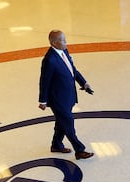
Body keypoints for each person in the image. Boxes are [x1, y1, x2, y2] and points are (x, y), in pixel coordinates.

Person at [38, 30, 94, 160]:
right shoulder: (49, 60)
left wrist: (83, 83)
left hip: (68, 96)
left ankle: (56, 145)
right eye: (63, 40)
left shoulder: (64, 51)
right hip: (58, 99)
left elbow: (72, 70)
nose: (66, 42)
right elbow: (44, 81)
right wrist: (43, 100)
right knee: (68, 124)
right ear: (54, 43)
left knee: (61, 123)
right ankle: (79, 150)